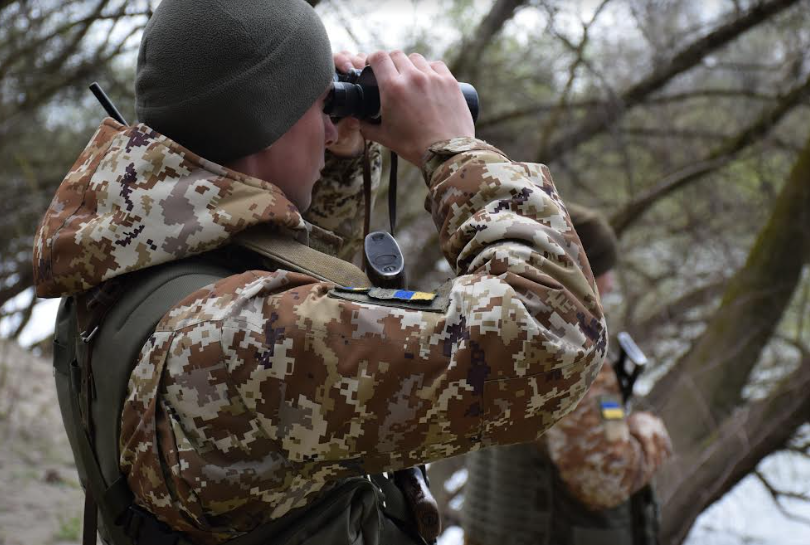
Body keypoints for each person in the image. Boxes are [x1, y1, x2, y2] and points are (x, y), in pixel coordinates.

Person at [33, 1, 607, 544]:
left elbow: (288, 273)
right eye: (320, 112)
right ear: (267, 119)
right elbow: (551, 335)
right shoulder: (244, 340)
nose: (332, 130)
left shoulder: (130, 257)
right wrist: (454, 150)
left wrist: (330, 164)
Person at [462, 204, 673, 545]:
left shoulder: (496, 329)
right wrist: (649, 434)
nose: (611, 286)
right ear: (577, 273)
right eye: (602, 270)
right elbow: (603, 480)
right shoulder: (571, 355)